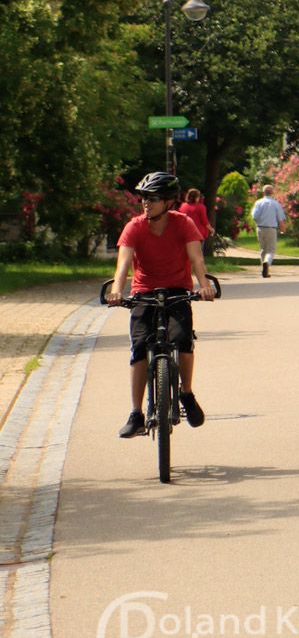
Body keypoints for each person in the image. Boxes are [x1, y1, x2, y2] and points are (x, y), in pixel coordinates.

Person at [108, 171, 216, 438]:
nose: (146, 203)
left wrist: (203, 284)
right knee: (140, 347)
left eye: (153, 198)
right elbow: (123, 263)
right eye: (144, 197)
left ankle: (186, 394)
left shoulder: (183, 223)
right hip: (144, 291)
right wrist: (116, 290)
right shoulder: (134, 226)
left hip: (177, 290)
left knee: (182, 340)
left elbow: (196, 258)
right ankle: (136, 413)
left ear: (169, 201)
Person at [250, 182, 287, 278]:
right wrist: (282, 229)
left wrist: (259, 222)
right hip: (271, 228)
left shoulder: (258, 203)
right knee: (270, 250)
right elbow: (281, 219)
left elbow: (254, 216)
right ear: (272, 192)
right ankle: (266, 263)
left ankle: (264, 267)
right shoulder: (275, 204)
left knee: (263, 249)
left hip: (260, 228)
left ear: (263, 192)